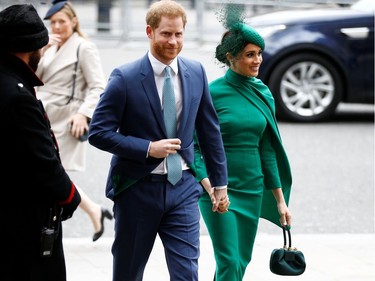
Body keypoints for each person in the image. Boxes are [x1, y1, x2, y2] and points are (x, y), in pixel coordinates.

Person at [88, 1, 229, 280]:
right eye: (166, 34)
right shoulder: (125, 78)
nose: (173, 41)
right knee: (129, 272)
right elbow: (98, 132)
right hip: (138, 190)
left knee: (187, 274)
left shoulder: (196, 72)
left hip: (184, 190)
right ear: (149, 32)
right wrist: (147, 148)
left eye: (178, 34)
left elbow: (210, 131)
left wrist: (220, 183)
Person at [194, 22, 293, 280]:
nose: (257, 60)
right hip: (218, 190)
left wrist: (280, 201)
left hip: (252, 189)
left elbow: (268, 150)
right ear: (231, 57)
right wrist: (209, 185)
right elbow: (192, 146)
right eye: (250, 54)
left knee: (241, 262)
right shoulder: (211, 93)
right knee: (229, 261)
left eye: (259, 53)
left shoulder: (263, 93)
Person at [0, 4, 81, 281]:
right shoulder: (18, 96)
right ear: (30, 50)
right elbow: (43, 162)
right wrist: (71, 198)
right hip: (23, 222)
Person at [35, 0, 112, 242]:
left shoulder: (83, 47)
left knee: (52, 177)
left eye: (61, 22)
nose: (56, 27)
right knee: (54, 177)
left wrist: (83, 113)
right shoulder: (51, 46)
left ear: (73, 21)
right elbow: (34, 79)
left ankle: (48, 230)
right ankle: (94, 211)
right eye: (53, 22)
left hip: (66, 120)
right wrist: (43, 50)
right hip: (42, 115)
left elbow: (99, 85)